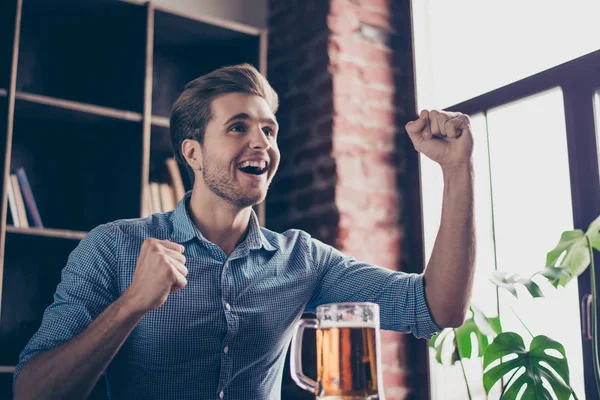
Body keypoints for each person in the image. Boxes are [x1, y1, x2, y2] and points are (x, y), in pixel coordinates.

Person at [13, 64, 475, 400]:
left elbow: (437, 306)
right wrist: (132, 303)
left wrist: (457, 170)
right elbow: (32, 392)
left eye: (269, 131)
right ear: (193, 153)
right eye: (238, 127)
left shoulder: (302, 260)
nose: (262, 144)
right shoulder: (113, 247)